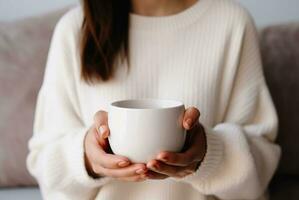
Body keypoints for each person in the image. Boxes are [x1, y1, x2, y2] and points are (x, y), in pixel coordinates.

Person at [26, 0, 281, 199]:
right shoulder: (75, 28)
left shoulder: (231, 23)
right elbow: (44, 161)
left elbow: (260, 170)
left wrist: (208, 153)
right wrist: (87, 158)